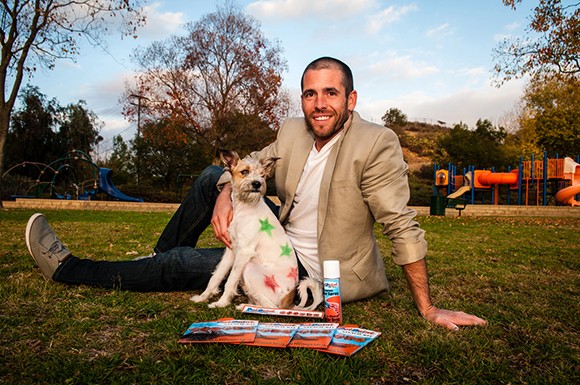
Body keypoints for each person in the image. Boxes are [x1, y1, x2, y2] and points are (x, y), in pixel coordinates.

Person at [26, 57, 487, 330]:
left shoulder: (376, 142)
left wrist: (427, 308)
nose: (319, 103)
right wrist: (226, 192)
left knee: (184, 265)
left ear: (351, 99)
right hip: (275, 231)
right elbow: (243, 165)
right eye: (310, 94)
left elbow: (399, 222)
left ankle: (69, 269)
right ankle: (155, 258)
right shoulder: (291, 129)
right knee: (213, 176)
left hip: (314, 267)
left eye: (330, 93)